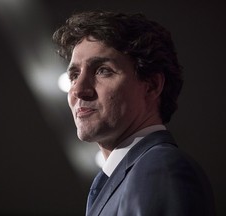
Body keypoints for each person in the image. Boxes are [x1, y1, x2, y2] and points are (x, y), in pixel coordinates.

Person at [52, 11, 215, 216]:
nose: (77, 89)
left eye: (103, 70)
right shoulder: (127, 175)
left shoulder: (160, 169)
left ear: (152, 85)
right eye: (74, 75)